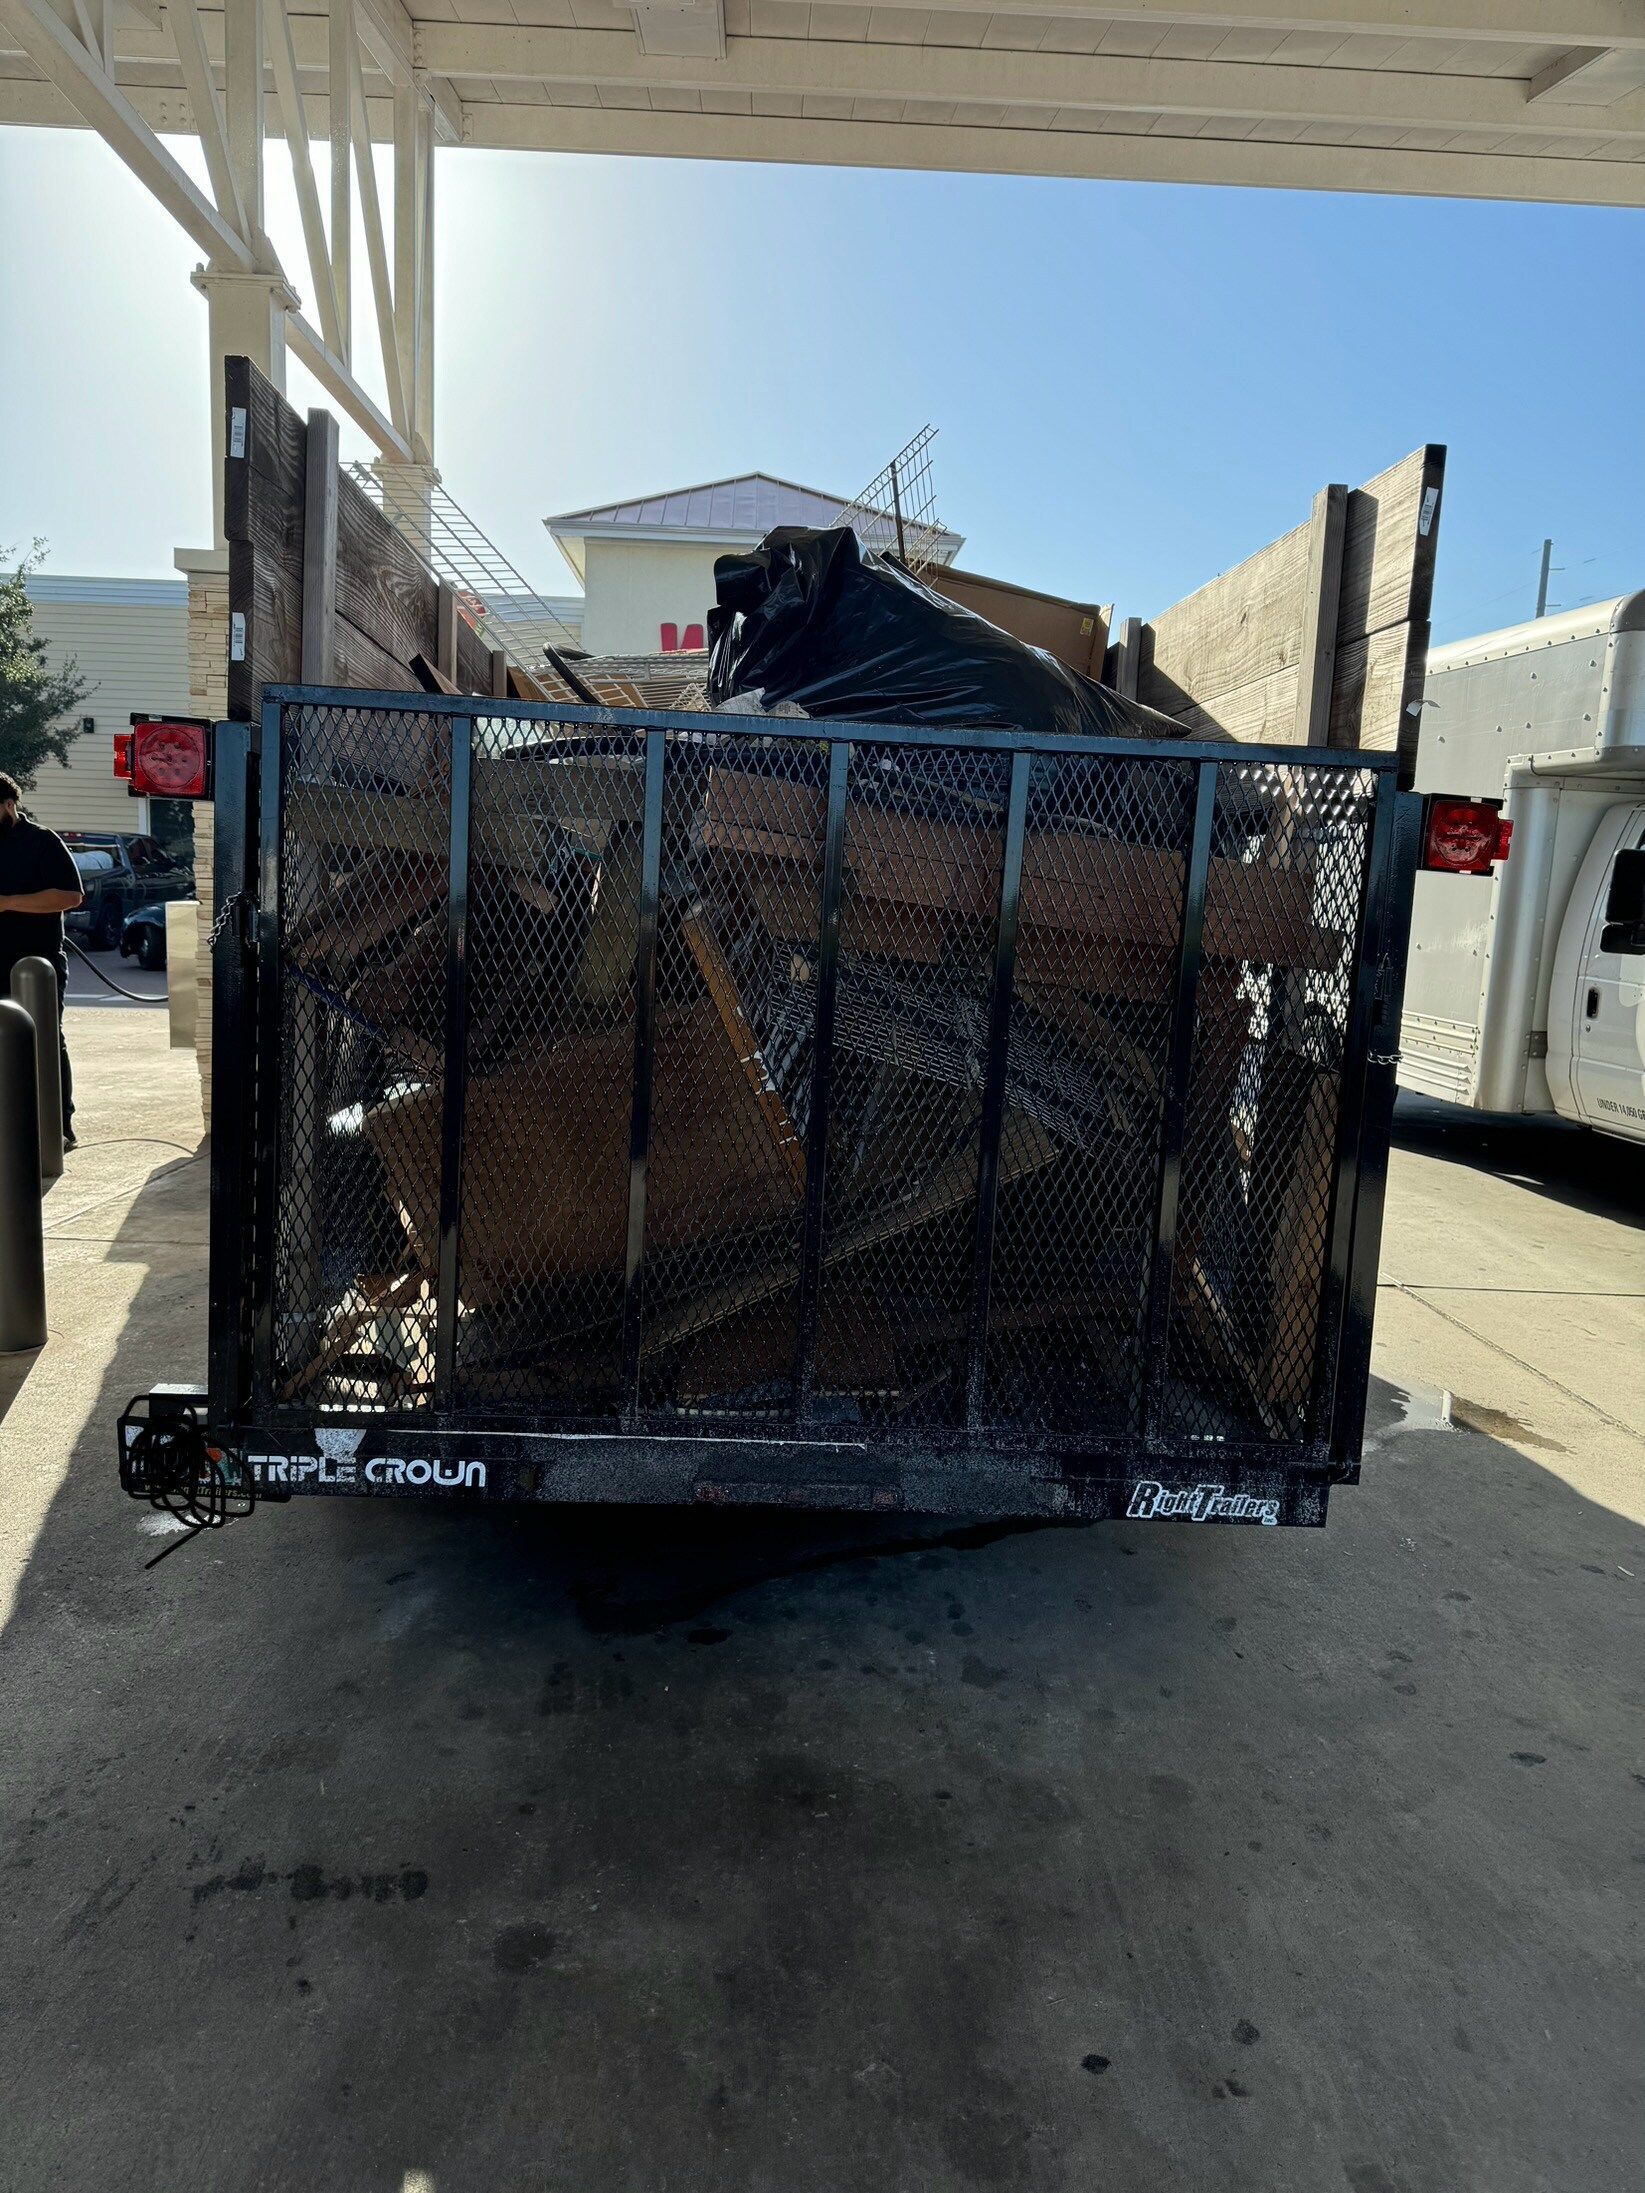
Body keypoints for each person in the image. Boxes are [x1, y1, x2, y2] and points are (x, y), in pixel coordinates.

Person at [0, 772, 85, 1150]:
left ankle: (57, 1127)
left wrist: (8, 903)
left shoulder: (41, 841)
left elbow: (70, 896)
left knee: (43, 1041)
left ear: (8, 805)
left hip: (34, 963)